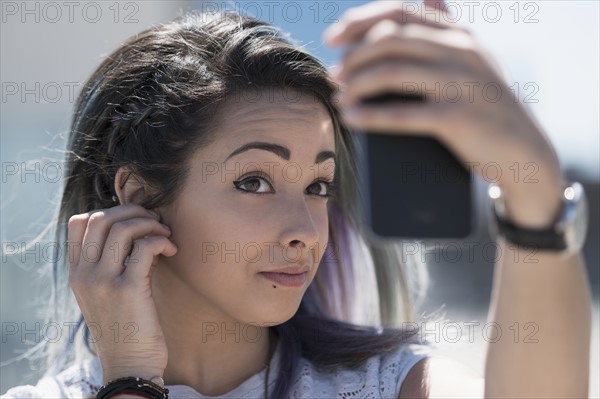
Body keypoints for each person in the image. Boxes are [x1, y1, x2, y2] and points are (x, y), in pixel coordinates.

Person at [1, 1, 591, 398]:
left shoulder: (395, 384)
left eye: (318, 186)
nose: (305, 230)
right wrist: (130, 379)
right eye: (253, 181)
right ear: (137, 195)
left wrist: (531, 185)